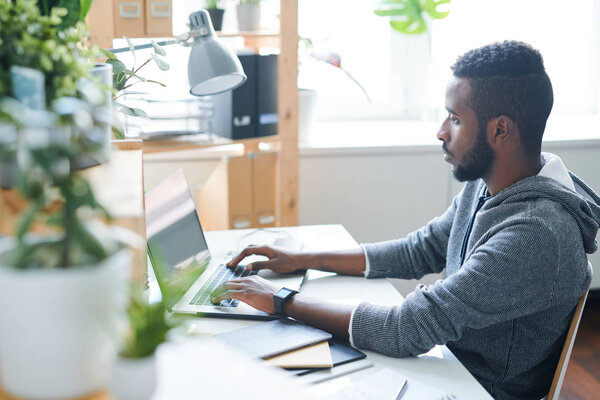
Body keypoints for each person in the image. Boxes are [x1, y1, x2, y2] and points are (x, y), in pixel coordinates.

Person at [211, 41, 600, 400]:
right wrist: (305, 258)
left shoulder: (536, 233)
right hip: (445, 367)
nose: (441, 132)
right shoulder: (495, 182)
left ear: (500, 129)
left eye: (455, 119)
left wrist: (281, 300)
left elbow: (406, 329)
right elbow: (422, 250)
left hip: (472, 390)